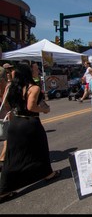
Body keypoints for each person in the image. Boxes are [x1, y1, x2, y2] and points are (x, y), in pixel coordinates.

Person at [0, 63, 60, 202]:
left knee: (13, 156)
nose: (37, 71)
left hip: (15, 123)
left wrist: (14, 111)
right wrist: (45, 110)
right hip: (30, 123)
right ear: (27, 72)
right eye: (35, 69)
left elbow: (6, 104)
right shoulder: (33, 88)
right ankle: (47, 174)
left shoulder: (11, 86)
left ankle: (4, 190)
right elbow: (31, 106)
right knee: (41, 148)